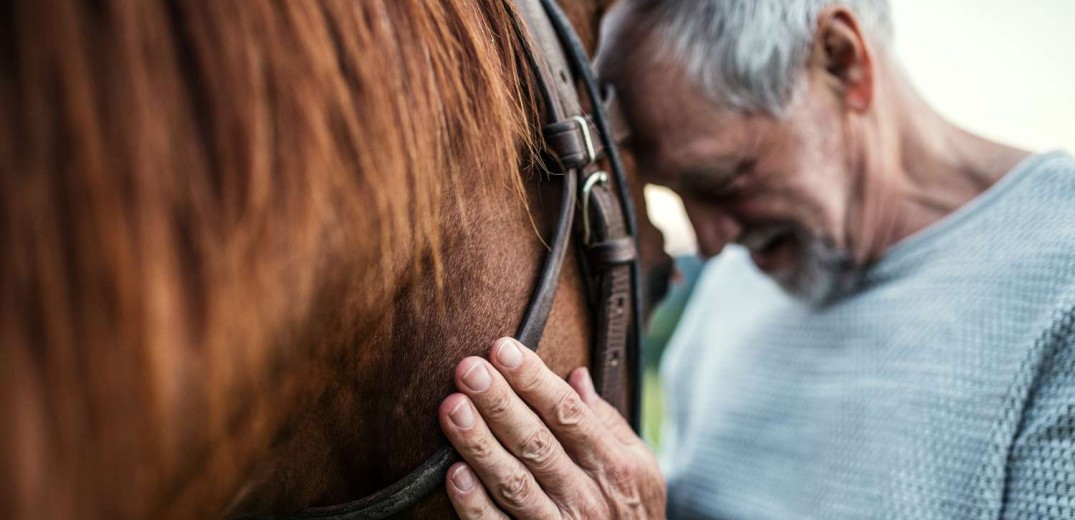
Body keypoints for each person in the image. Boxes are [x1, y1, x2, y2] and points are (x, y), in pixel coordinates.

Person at [435, 0, 1075, 517]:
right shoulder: (735, 287)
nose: (711, 245)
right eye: (677, 196)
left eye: (724, 181)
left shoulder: (1059, 291)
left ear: (841, 61)